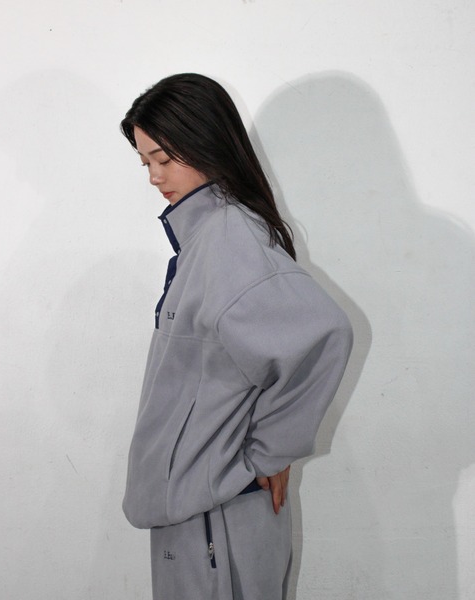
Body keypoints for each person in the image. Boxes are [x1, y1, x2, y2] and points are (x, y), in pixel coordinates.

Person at [120, 73, 353, 600]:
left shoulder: (228, 238)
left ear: (205, 143)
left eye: (164, 158)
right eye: (145, 162)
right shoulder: (208, 239)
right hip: (202, 508)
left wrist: (270, 452)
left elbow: (323, 336)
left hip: (217, 514)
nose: (154, 177)